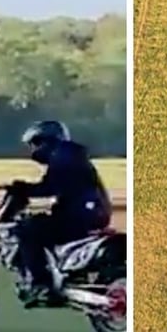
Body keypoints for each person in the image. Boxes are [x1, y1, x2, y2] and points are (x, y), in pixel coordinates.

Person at [8, 120, 113, 307]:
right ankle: (61, 273)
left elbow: (50, 187)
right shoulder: (71, 155)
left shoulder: (63, 157)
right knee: (43, 225)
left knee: (28, 230)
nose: (34, 150)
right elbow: (59, 187)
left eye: (36, 143)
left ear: (47, 141)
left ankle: (41, 284)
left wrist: (22, 189)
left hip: (80, 215)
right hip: (92, 213)